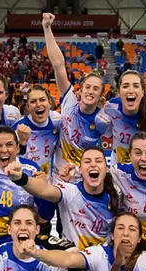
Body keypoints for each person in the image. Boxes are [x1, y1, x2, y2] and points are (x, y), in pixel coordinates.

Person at [7, 146, 118, 251]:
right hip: (70, 260)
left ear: (107, 169)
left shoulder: (117, 196)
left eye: (98, 161)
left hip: (103, 262)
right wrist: (20, 178)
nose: (93, 164)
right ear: (80, 170)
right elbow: (44, 190)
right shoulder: (70, 191)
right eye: (87, 161)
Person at [42, 13, 109, 183]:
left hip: (84, 182)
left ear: (100, 95)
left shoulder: (103, 119)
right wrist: (47, 28)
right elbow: (58, 64)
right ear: (81, 89)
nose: (90, 91)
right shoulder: (70, 100)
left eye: (96, 89)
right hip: (58, 178)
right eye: (88, 87)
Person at [13, 84, 62, 174]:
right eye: (33, 101)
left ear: (50, 103)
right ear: (28, 107)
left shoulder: (57, 120)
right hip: (26, 178)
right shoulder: (18, 128)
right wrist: (22, 144)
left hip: (48, 178)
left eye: (42, 100)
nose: (38, 104)